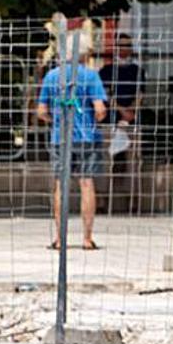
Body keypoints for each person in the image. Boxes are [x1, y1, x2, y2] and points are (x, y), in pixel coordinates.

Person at [37, 43, 108, 251]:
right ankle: (87, 239)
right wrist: (93, 120)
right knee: (87, 184)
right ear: (84, 54)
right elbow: (100, 109)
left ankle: (60, 239)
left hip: (60, 137)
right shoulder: (90, 76)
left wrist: (54, 120)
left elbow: (41, 111)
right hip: (87, 137)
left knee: (61, 185)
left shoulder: (51, 77)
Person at [98, 33, 144, 212]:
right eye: (121, 45)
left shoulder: (137, 71)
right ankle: (102, 201)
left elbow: (140, 94)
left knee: (133, 161)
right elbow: (105, 95)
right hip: (110, 121)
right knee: (105, 161)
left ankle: (133, 201)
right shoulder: (106, 71)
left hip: (132, 122)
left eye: (127, 45)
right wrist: (121, 111)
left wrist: (130, 112)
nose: (124, 49)